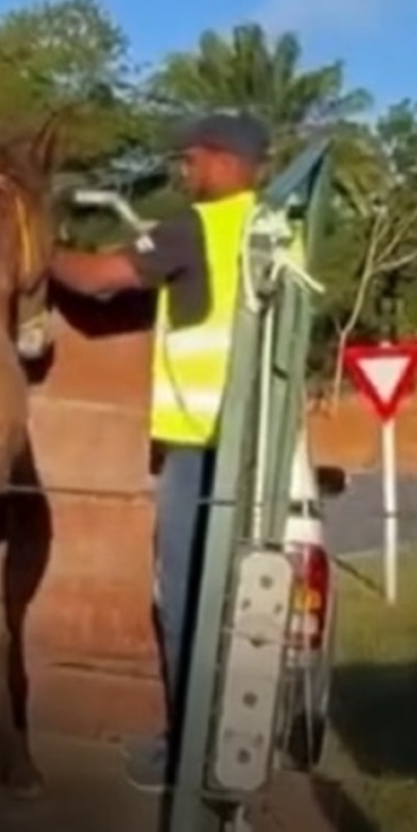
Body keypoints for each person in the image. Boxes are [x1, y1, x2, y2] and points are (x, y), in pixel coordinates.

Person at [49, 112, 271, 793]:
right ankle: (223, 744)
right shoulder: (272, 228)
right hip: (254, 442)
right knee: (234, 603)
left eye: (191, 159)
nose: (184, 170)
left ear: (222, 160)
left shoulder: (194, 228)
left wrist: (36, 246)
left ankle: (187, 754)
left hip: (202, 447)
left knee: (182, 603)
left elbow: (98, 278)